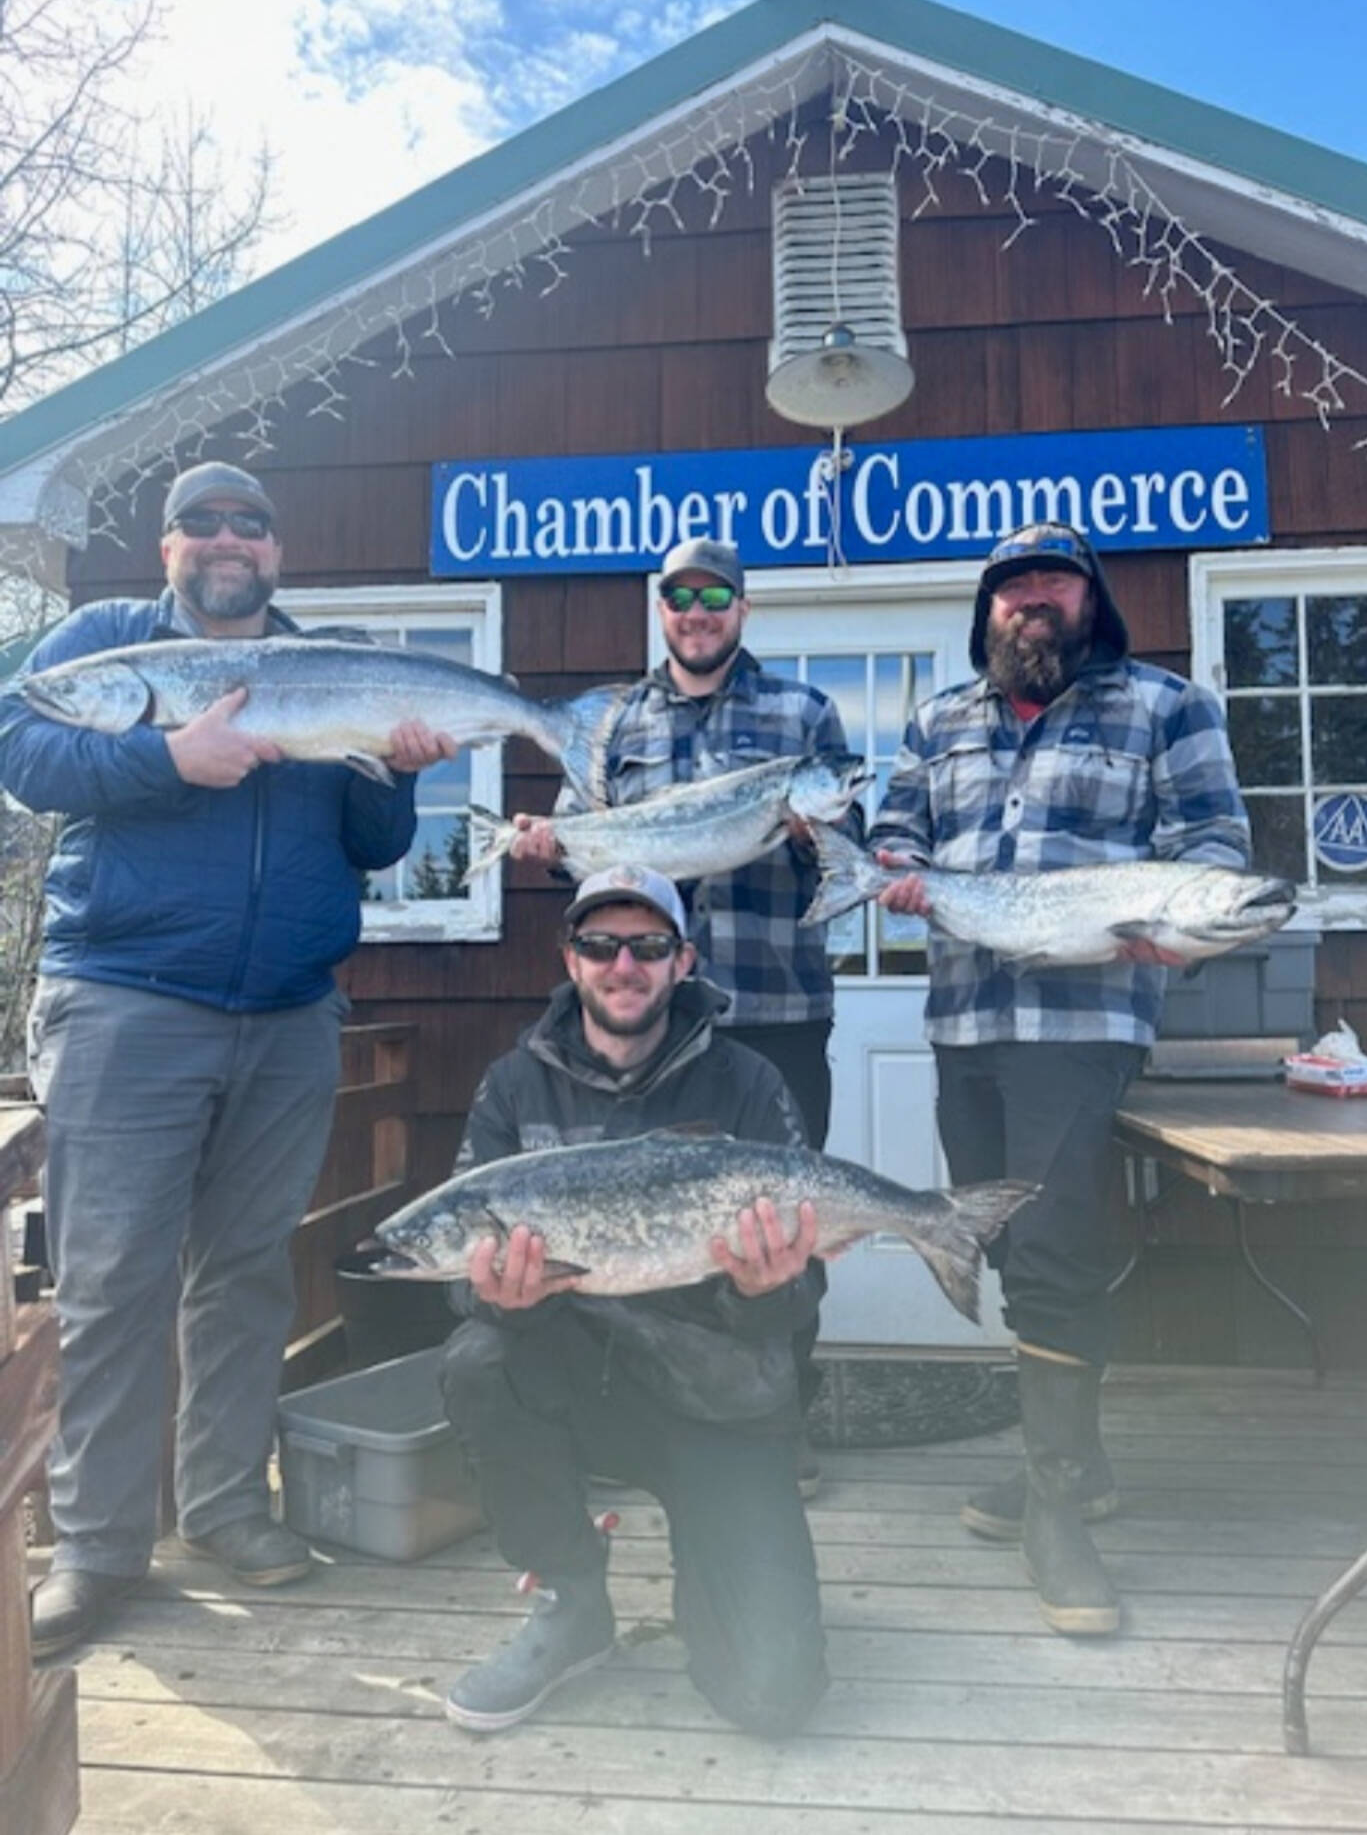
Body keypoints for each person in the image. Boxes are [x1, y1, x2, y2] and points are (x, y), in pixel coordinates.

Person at [0, 460, 455, 1658]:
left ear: (276, 550)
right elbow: (24, 751)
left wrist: (399, 770)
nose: (224, 541)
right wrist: (168, 760)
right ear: (166, 550)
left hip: (290, 1014)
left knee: (248, 1272)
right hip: (125, 1003)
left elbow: (372, 839)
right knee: (111, 1282)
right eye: (199, 524)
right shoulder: (107, 646)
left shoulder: (324, 668)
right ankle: (97, 1549)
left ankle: (222, 1508)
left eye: (247, 524)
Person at [871, 520, 1250, 1637]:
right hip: (965, 1022)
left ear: (1092, 600)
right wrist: (895, 875)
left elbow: (1217, 846)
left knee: (1051, 1246)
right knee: (986, 1229)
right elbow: (899, 830)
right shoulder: (941, 719)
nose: (1031, 600)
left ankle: (1055, 1514)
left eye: (1053, 583)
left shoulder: (1165, 707)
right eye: (1012, 586)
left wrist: (1174, 922)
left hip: (1083, 1021)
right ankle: (1073, 1467)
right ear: (988, 608)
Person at [438, 862, 830, 1737]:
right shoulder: (513, 1087)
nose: (625, 965)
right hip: (578, 1384)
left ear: (683, 961)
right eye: (601, 945)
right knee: (480, 1359)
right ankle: (573, 1599)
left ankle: (719, 1573)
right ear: (569, 958)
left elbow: (804, 1289)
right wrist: (505, 1300)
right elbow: (469, 1290)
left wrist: (764, 1289)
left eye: (649, 946)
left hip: (721, 1396)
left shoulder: (750, 1084)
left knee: (773, 1696)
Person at [505, 536, 858, 1490]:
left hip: (773, 1004)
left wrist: (811, 833)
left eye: (716, 596)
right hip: (649, 1026)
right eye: (680, 596)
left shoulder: (804, 717)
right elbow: (584, 844)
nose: (698, 612)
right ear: (659, 606)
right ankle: (644, 1422)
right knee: (651, 1231)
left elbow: (849, 854)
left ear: (742, 609)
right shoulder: (614, 722)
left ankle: (782, 1420)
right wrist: (546, 842)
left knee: (788, 1231)